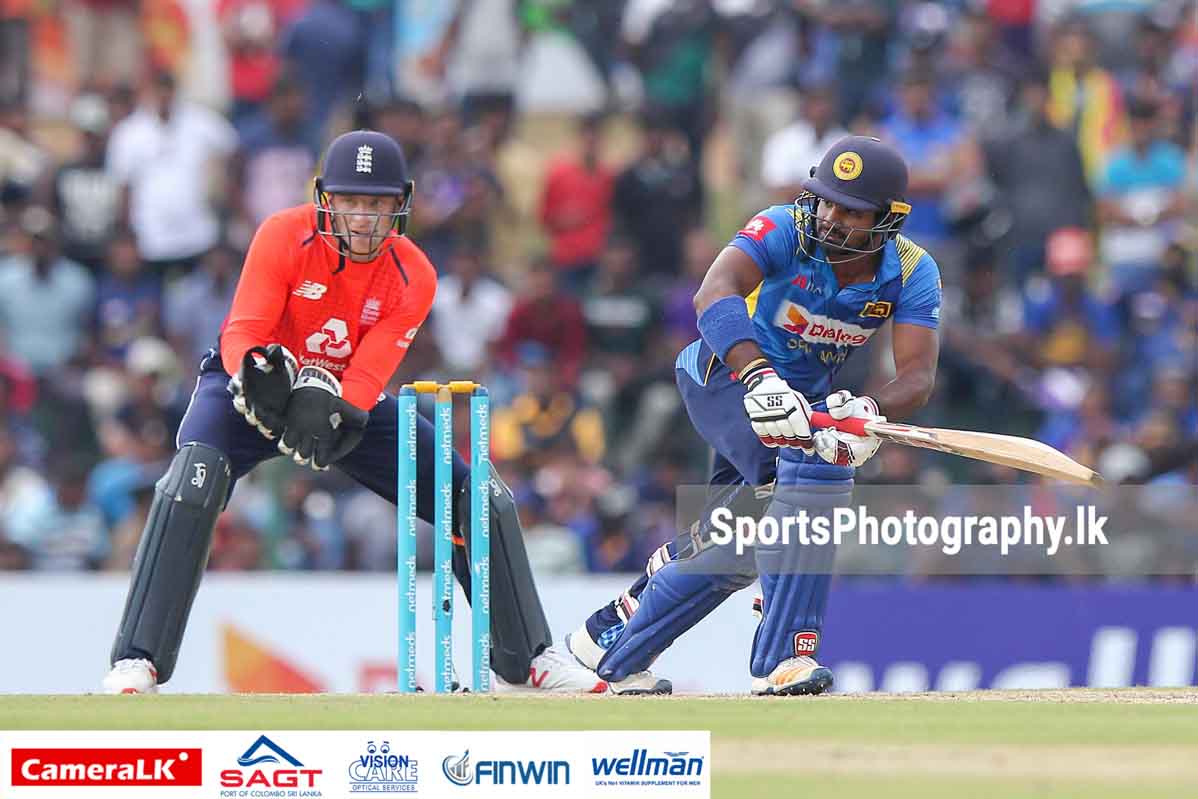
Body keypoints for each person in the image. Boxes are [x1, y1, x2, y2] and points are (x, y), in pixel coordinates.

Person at [102, 129, 606, 695]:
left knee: (474, 496)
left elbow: (368, 375)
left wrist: (334, 408)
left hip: (343, 396)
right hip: (253, 384)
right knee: (190, 483)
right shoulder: (283, 234)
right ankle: (137, 660)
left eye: (377, 204)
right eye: (350, 202)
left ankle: (527, 661)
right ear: (326, 200)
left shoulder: (415, 274)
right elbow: (243, 330)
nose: (363, 218)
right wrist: (256, 377)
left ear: (400, 205)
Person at [564, 136, 942, 695]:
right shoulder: (783, 226)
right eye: (826, 201)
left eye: (852, 212)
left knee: (736, 545)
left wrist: (868, 409)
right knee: (811, 475)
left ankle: (612, 643)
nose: (831, 218)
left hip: (804, 402)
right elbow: (712, 293)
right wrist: (760, 377)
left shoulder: (912, 270)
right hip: (725, 374)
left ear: (888, 219)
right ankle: (785, 657)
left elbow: (917, 375)